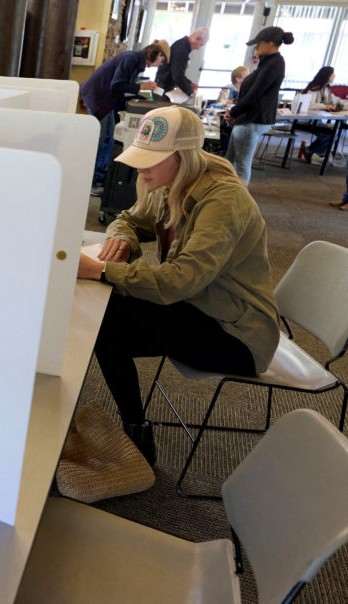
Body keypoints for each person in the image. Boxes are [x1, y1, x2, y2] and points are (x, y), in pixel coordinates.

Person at [77, 106, 280, 465]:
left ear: (182, 157)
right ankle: (135, 428)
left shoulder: (223, 199)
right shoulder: (171, 181)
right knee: (105, 320)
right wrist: (123, 239)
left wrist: (101, 271)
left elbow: (179, 281)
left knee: (107, 320)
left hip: (238, 334)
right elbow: (127, 219)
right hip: (200, 307)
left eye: (151, 160)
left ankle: (135, 430)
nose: (141, 168)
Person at [80, 40, 171, 197]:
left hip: (102, 98)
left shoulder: (136, 61)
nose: (160, 63)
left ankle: (98, 178)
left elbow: (125, 86)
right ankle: (94, 182)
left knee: (107, 138)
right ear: (158, 54)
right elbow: (117, 86)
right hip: (98, 98)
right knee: (105, 141)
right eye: (162, 60)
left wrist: (139, 92)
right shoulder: (131, 59)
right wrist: (140, 88)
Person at [224, 26, 294, 185]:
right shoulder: (269, 63)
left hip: (252, 120)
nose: (256, 47)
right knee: (229, 163)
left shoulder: (274, 64)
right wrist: (235, 112)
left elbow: (254, 94)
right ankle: (229, 199)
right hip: (248, 119)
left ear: (270, 43)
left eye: (259, 43)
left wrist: (233, 112)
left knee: (241, 166)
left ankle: (239, 204)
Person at [299, 66, 345, 165]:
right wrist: (325, 106)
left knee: (333, 135)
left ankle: (310, 151)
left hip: (316, 120)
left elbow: (336, 101)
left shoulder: (327, 89)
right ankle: (310, 151)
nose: (334, 75)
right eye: (333, 74)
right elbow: (310, 105)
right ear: (327, 75)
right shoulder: (314, 88)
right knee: (330, 135)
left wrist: (343, 106)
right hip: (307, 120)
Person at [155, 27, 209, 101]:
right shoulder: (181, 49)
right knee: (161, 110)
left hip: (163, 85)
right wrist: (190, 91)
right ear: (198, 39)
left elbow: (177, 71)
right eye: (201, 45)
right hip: (162, 87)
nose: (199, 48)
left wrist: (189, 83)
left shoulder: (182, 45)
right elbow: (177, 76)